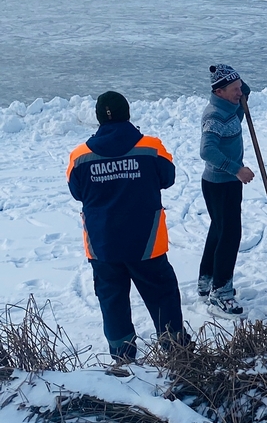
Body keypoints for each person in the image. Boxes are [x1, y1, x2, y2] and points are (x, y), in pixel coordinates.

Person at [67, 91, 186, 363]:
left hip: (103, 244)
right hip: (146, 242)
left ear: (98, 117)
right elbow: (168, 178)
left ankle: (122, 356)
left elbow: (77, 191)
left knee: (112, 302)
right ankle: (176, 350)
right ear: (127, 113)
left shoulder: (79, 156)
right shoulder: (152, 148)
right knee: (163, 295)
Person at [199, 64, 255, 318]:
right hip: (220, 184)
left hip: (224, 183)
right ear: (219, 92)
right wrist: (236, 169)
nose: (240, 92)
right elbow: (207, 151)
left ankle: (207, 278)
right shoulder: (215, 116)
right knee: (230, 234)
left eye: (240, 87)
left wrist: (238, 83)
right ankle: (220, 292)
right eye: (234, 89)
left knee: (220, 229)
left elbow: (244, 93)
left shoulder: (230, 110)